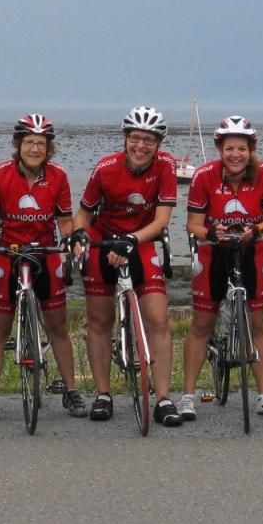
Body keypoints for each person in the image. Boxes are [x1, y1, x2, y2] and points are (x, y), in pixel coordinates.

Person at [70, 106, 182, 427]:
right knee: (99, 321)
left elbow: (161, 220)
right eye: (135, 138)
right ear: (125, 138)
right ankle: (103, 394)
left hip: (140, 240)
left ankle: (163, 398)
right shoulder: (105, 169)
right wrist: (79, 234)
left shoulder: (166, 166)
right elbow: (83, 213)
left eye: (149, 140)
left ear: (158, 144)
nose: (141, 146)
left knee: (158, 318)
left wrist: (131, 240)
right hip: (103, 241)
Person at [0, 114, 86, 421]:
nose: (35, 149)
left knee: (58, 328)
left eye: (41, 144)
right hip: (8, 254)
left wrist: (69, 239)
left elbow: (65, 219)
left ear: (49, 148)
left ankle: (71, 390)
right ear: (18, 145)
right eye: (29, 143)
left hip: (45, 254)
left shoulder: (59, 176)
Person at [181, 116, 263, 420]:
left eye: (242, 148)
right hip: (214, 252)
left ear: (251, 150)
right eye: (229, 149)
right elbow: (192, 224)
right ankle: (187, 397)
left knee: (258, 326)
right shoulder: (204, 175)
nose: (235, 154)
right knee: (201, 326)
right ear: (220, 150)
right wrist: (210, 232)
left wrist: (258, 228)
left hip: (251, 251)